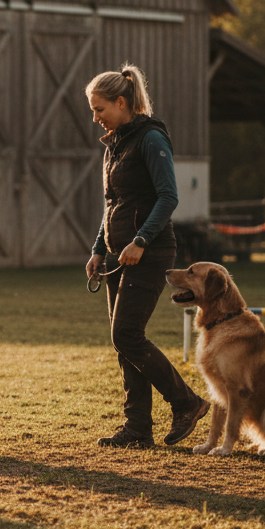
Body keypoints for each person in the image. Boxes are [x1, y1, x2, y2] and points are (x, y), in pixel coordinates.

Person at [85, 64, 209, 448]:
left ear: (122, 102)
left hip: (149, 253)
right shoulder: (117, 143)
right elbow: (115, 204)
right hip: (118, 255)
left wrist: (140, 240)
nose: (95, 118)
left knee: (126, 333)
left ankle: (186, 403)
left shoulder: (151, 138)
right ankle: (137, 429)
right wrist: (98, 248)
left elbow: (168, 197)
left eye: (100, 109)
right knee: (124, 340)